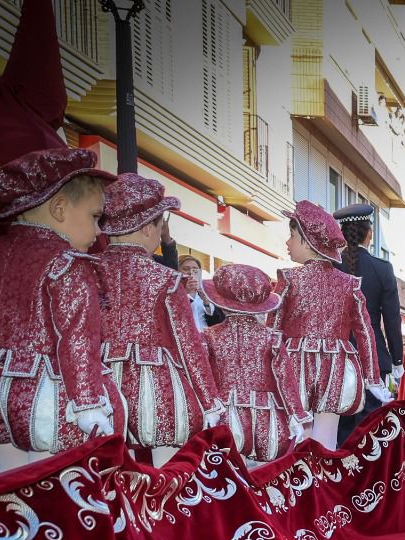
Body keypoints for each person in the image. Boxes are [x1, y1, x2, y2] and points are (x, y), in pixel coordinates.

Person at [0, 146, 121, 472]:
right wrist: (88, 405)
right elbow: (78, 342)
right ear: (60, 208)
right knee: (52, 489)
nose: (98, 231)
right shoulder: (68, 263)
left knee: (9, 484)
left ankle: (15, 523)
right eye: (94, 217)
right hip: (45, 397)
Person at [95, 174, 223, 466]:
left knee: (110, 468)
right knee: (167, 469)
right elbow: (187, 344)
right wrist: (210, 400)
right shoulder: (165, 278)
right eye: (160, 225)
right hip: (157, 386)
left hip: (100, 381)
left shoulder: (89, 269)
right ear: (146, 229)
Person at [271, 199, 379, 450]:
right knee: (326, 440)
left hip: (294, 368)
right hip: (336, 368)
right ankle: (322, 485)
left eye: (292, 235)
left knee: (294, 438)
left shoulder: (288, 280)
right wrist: (373, 377)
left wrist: (267, 369)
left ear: (308, 240)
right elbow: (365, 331)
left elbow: (272, 333)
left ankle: (295, 485)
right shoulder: (349, 284)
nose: (287, 242)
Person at [201, 263, 309, 464]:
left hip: (224, 417)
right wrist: (296, 416)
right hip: (267, 419)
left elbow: (201, 375)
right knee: (264, 478)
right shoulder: (272, 338)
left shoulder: (209, 337)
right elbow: (285, 380)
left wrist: (208, 407)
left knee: (229, 479)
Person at [333, 203, 403, 445]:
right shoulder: (383, 269)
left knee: (339, 426)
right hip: (373, 357)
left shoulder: (331, 267)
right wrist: (397, 360)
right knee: (370, 430)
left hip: (337, 356)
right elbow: (392, 320)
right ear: (369, 234)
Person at [177, 255, 226, 331]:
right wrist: (187, 293)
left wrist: (206, 302)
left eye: (195, 269)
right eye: (185, 269)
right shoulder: (173, 292)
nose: (190, 272)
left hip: (205, 338)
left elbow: (217, 321)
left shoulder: (206, 291)